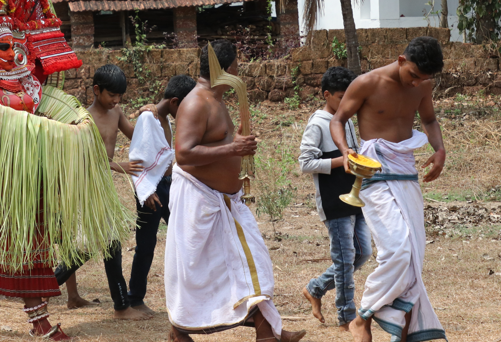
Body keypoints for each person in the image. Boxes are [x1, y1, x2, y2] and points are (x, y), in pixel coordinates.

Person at [165, 39, 305, 342]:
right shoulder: (196, 102)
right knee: (205, 275)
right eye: (236, 66)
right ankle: (183, 331)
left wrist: (237, 146)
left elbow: (217, 146)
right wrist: (233, 146)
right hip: (200, 203)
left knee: (247, 268)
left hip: (224, 204)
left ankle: (268, 330)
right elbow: (184, 154)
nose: (239, 71)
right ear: (226, 68)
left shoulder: (216, 101)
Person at [329, 36, 447, 342]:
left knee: (413, 254)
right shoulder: (367, 83)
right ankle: (363, 316)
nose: (417, 83)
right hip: (371, 171)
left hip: (405, 169)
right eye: (414, 75)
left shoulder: (423, 86)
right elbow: (339, 120)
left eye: (424, 79)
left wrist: (440, 149)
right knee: (396, 248)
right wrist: (345, 152)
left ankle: (402, 325)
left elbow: (429, 119)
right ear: (400, 60)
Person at [53, 64, 152, 320]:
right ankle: (49, 286)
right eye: (111, 95)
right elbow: (85, 162)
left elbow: (136, 136)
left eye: (119, 96)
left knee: (109, 244)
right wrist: (121, 167)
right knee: (100, 245)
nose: (116, 100)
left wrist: (150, 115)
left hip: (104, 188)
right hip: (87, 188)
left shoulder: (116, 112)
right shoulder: (83, 120)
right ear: (97, 90)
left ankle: (119, 306)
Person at [299, 67, 372, 331]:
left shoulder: (347, 120)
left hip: (355, 197)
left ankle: (315, 289)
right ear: (327, 95)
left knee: (362, 253)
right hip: (334, 200)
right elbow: (305, 162)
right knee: (345, 258)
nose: (347, 102)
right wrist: (343, 161)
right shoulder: (317, 123)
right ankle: (346, 317)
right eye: (342, 97)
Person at [127, 75, 197, 315]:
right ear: (176, 102)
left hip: (169, 185)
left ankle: (191, 294)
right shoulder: (149, 118)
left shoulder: (163, 117)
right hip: (152, 191)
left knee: (185, 237)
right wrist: (146, 191)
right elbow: (137, 159)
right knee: (145, 245)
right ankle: (135, 299)